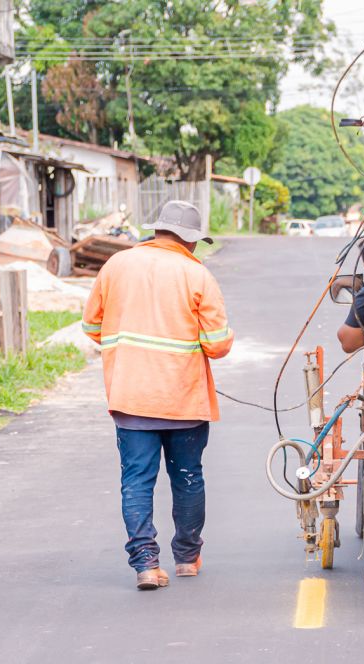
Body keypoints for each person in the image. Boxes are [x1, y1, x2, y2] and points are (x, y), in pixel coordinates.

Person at [82, 200, 234, 590]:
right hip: (184, 400)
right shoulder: (196, 274)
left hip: (131, 397)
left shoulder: (116, 265)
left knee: (136, 481)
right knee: (187, 477)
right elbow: (217, 345)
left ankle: (146, 565)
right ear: (190, 240)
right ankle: (187, 558)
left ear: (157, 231)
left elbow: (92, 326)